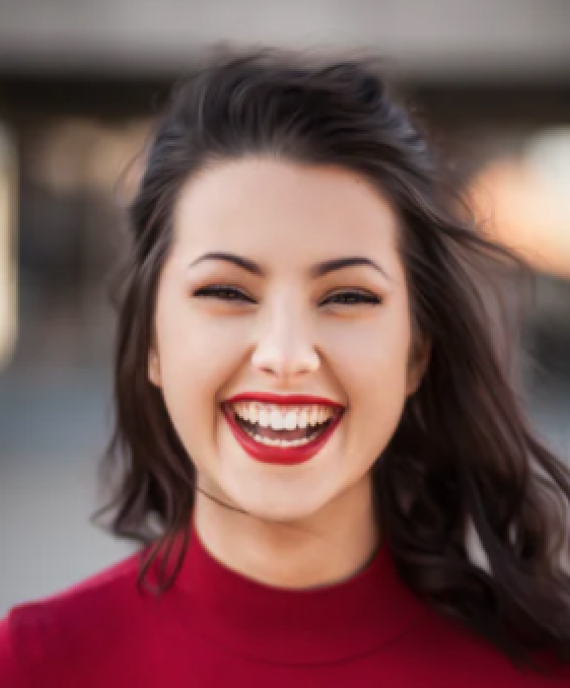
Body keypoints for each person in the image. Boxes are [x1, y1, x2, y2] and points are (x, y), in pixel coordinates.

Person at [1, 46, 569, 687]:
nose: (286, 356)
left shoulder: (540, 672)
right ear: (152, 343)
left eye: (348, 296)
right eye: (226, 292)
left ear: (418, 352)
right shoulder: (36, 665)